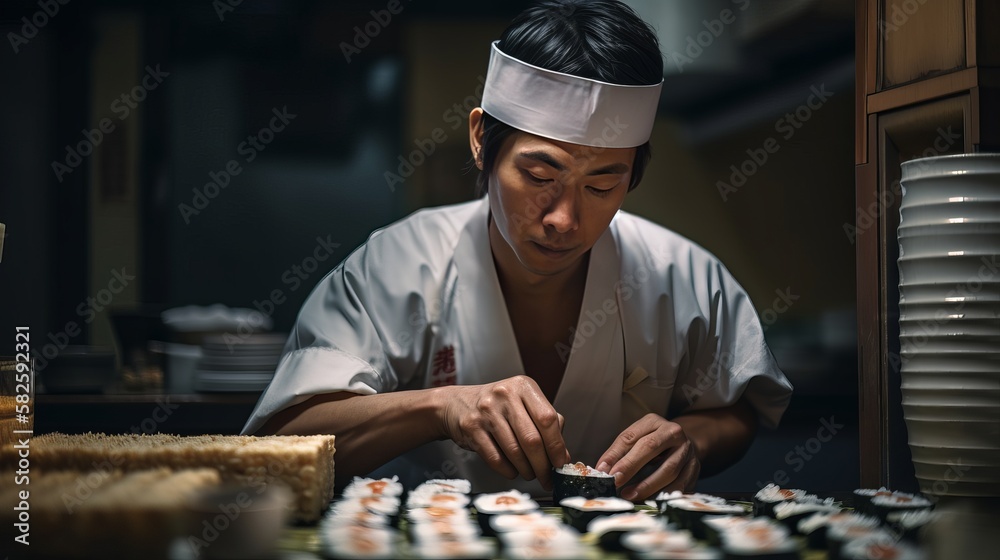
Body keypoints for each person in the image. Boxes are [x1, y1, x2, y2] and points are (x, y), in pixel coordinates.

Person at [244, 0, 793, 501]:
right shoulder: (395, 267)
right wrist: (442, 406)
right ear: (482, 141)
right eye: (538, 175)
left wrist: (694, 440)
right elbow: (277, 443)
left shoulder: (683, 276)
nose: (564, 219)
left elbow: (738, 408)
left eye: (602, 185)